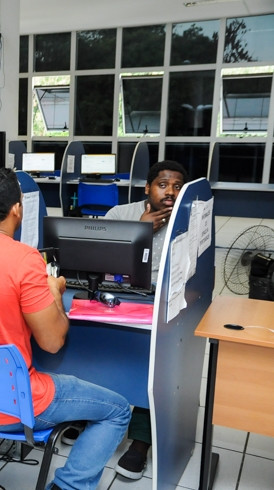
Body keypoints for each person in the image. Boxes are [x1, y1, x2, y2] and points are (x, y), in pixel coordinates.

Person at [0, 167, 130, 490]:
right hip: (11, 401)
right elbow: (52, 342)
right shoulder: (24, 259)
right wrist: (53, 293)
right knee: (118, 410)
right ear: (17, 209)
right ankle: (69, 486)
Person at [103, 160, 189, 480]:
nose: (170, 192)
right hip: (119, 296)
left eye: (177, 186)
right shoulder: (119, 215)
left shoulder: (188, 222)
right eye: (163, 185)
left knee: (152, 366)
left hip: (162, 304)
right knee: (92, 348)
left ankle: (140, 441)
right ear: (147, 188)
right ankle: (90, 415)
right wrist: (140, 231)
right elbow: (102, 261)